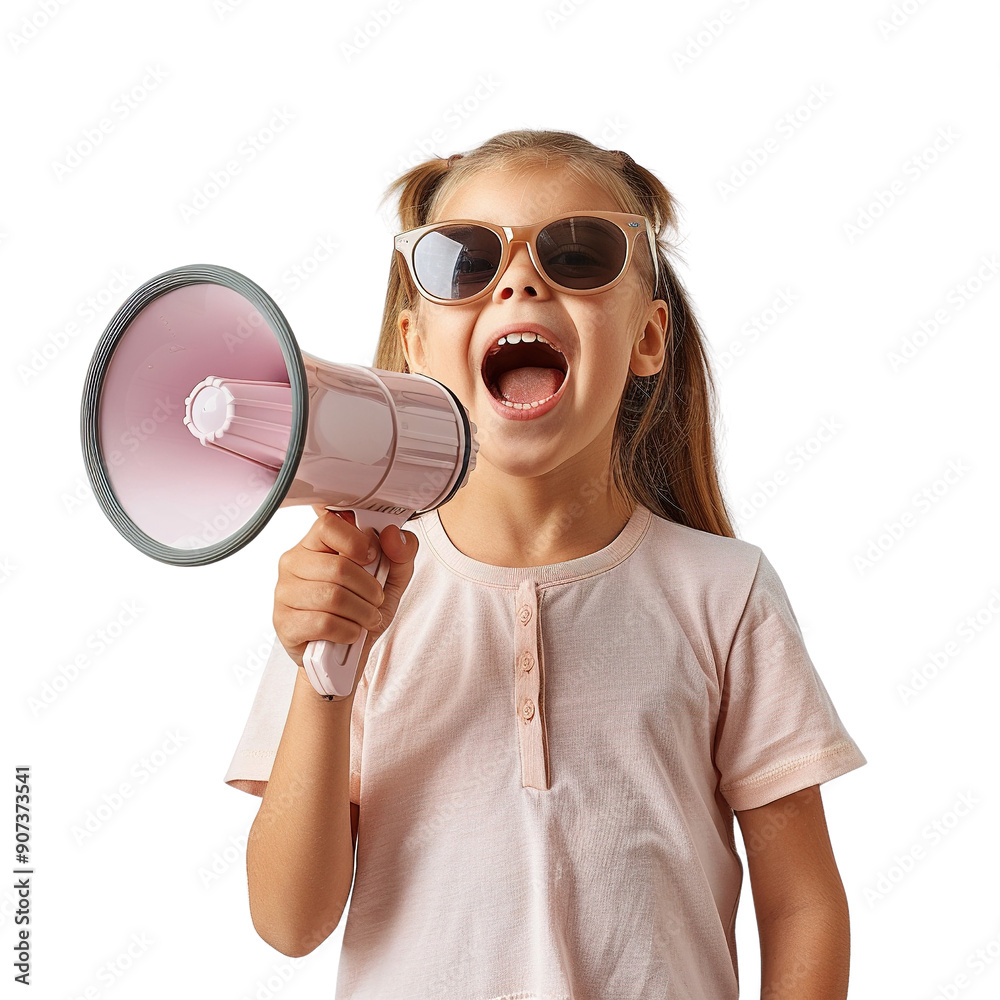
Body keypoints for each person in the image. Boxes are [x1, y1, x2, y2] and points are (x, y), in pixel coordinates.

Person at [223, 128, 867, 999]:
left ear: (647, 339)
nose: (520, 281)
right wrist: (324, 676)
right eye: (464, 263)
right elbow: (288, 921)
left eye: (579, 254)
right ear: (416, 342)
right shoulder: (351, 593)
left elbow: (802, 905)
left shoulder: (725, 594)